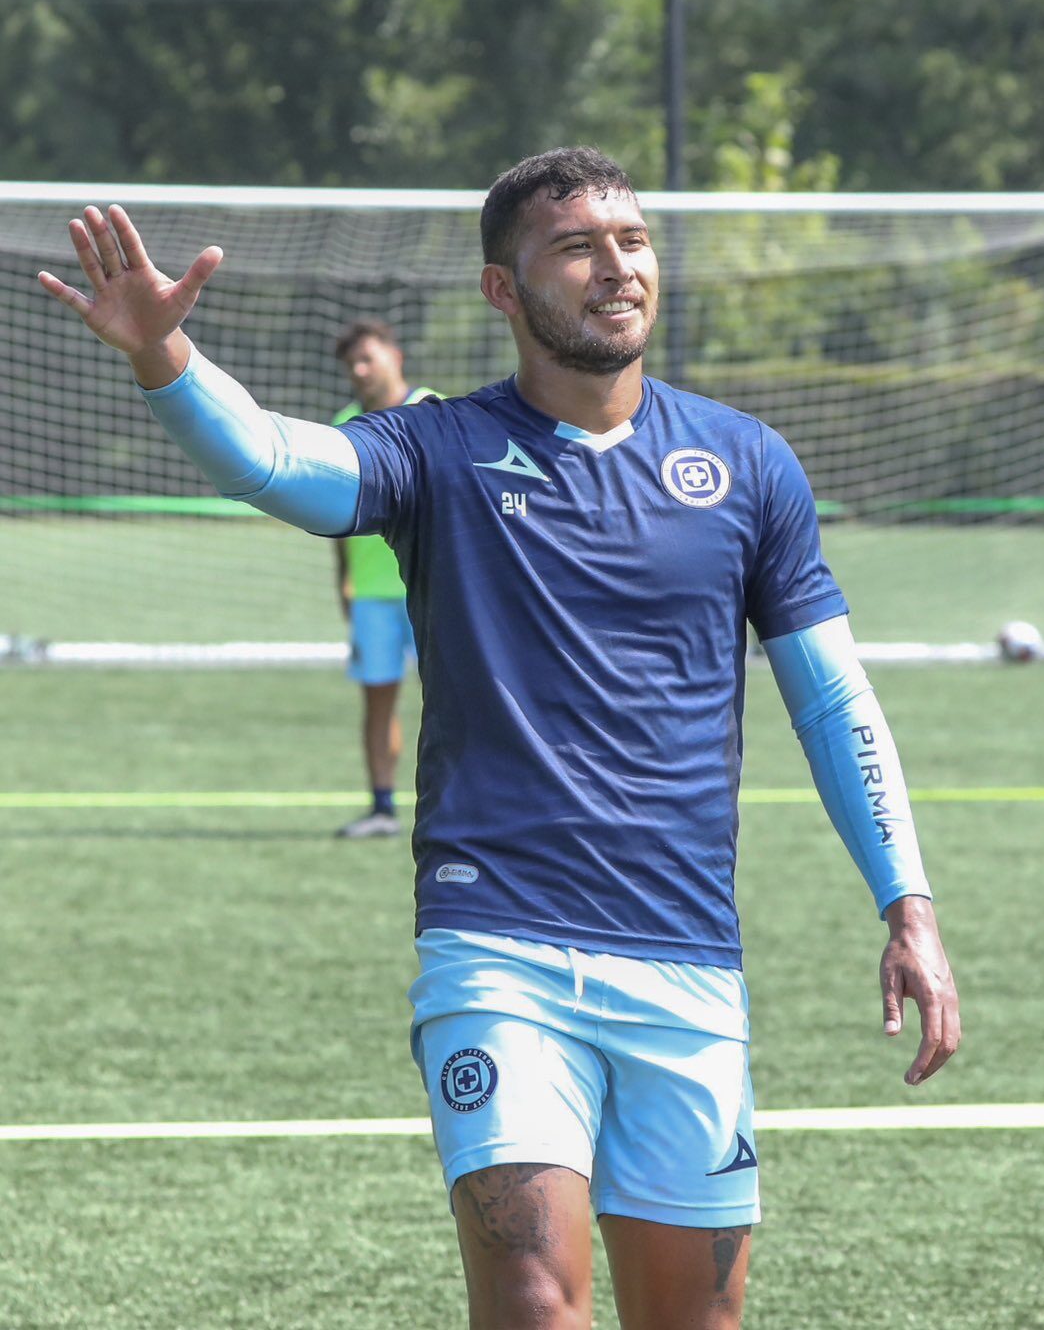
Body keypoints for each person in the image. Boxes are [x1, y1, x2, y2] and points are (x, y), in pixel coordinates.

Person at [40, 147, 961, 1329]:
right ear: (501, 290)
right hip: (499, 950)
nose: (615, 267)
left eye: (631, 241)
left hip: (686, 960)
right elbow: (277, 461)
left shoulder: (747, 465)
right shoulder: (437, 451)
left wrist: (908, 905)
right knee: (533, 1301)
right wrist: (166, 356)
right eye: (576, 247)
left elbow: (832, 702)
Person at [328, 318, 439, 839]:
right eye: (352, 363)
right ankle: (381, 808)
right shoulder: (345, 424)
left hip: (435, 588)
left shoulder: (438, 411)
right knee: (378, 699)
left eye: (368, 357)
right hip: (373, 594)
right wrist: (343, 584)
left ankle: (458, 806)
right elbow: (335, 515)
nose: (360, 369)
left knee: (455, 700)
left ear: (396, 355)